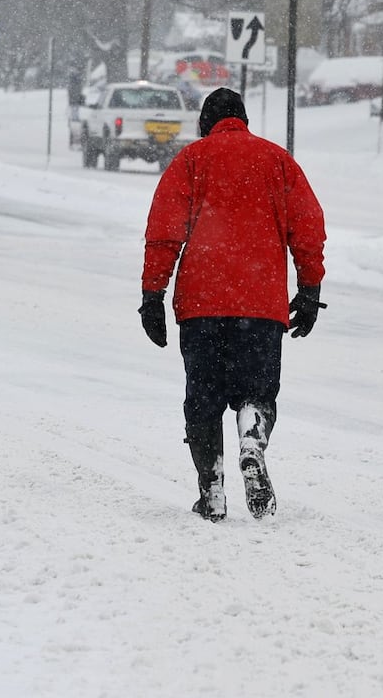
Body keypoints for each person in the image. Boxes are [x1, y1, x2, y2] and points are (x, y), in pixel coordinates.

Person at [138, 87, 326, 522]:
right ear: (244, 120)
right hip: (260, 307)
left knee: (202, 402)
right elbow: (308, 227)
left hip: (201, 305)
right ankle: (252, 441)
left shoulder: (191, 160)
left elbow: (164, 230)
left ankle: (213, 491)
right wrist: (310, 288)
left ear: (205, 123)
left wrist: (153, 294)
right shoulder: (278, 162)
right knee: (256, 391)